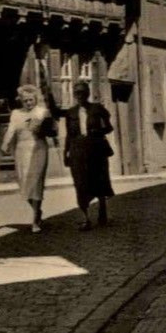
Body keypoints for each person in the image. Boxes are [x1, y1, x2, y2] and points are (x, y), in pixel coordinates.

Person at [1, 84, 54, 233]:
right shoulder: (16, 113)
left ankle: (35, 219)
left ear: (35, 99)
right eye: (26, 101)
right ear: (21, 101)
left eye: (31, 100)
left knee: (36, 183)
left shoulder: (43, 112)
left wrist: (43, 129)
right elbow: (11, 129)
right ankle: (38, 211)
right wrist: (5, 143)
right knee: (24, 184)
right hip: (21, 150)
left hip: (38, 148)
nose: (29, 103)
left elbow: (52, 131)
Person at [64, 79, 114, 230]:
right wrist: (66, 153)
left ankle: (102, 207)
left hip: (95, 150)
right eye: (77, 93)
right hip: (77, 151)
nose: (80, 95)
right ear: (74, 95)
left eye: (83, 92)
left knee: (99, 180)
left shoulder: (97, 109)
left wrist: (97, 132)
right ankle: (85, 218)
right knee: (80, 183)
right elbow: (69, 134)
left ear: (88, 94)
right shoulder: (70, 113)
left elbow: (109, 127)